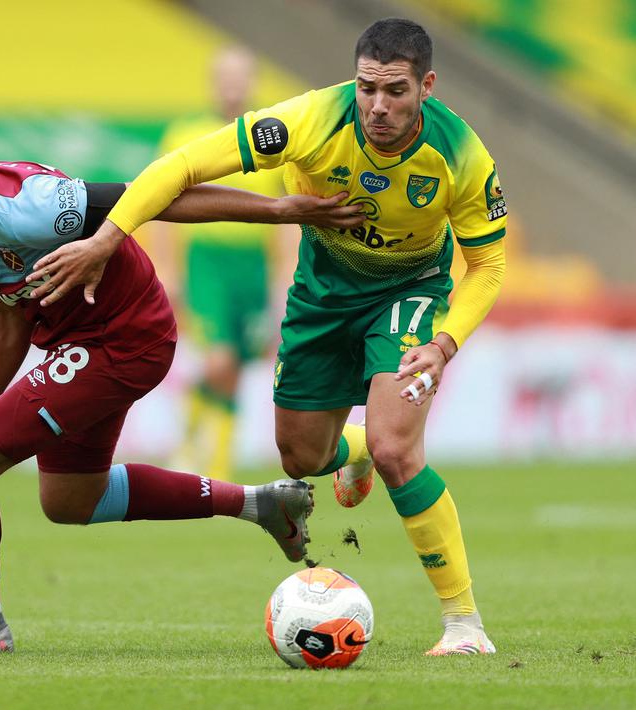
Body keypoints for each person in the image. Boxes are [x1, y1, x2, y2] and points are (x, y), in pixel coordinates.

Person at [27, 18, 508, 656]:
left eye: (395, 91)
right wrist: (107, 239)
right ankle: (353, 449)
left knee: (399, 448)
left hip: (409, 292)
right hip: (321, 293)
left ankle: (463, 624)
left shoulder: (462, 155)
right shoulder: (311, 119)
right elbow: (183, 166)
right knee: (302, 457)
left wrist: (444, 343)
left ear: (427, 85)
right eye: (368, 88)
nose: (378, 106)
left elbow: (488, 265)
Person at [0, 110, 364, 655]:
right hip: (81, 344)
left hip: (125, 337)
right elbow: (10, 313)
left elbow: (155, 196)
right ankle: (261, 504)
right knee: (72, 500)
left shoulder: (32, 206)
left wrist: (279, 210)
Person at [151, 46, 294, 481]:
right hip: (206, 262)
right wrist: (168, 269)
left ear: (252, 82)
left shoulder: (274, 141)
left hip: (252, 266)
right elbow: (159, 204)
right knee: (218, 360)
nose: (232, 87)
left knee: (236, 366)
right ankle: (197, 451)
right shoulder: (183, 135)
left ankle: (215, 461)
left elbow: (288, 215)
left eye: (240, 78)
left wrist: (284, 277)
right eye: (225, 78)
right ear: (214, 82)